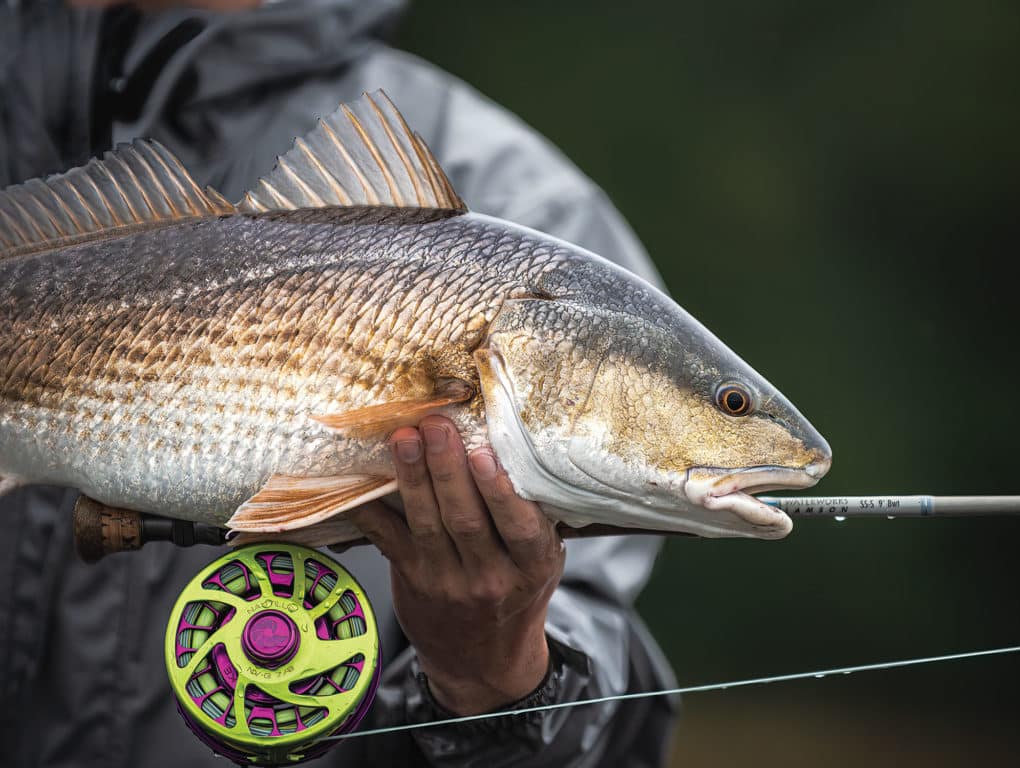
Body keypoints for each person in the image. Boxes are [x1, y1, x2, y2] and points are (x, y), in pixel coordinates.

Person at [0, 1, 678, 765]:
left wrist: (499, 678)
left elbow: (610, 706)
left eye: (729, 405)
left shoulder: (525, 208)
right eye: (728, 404)